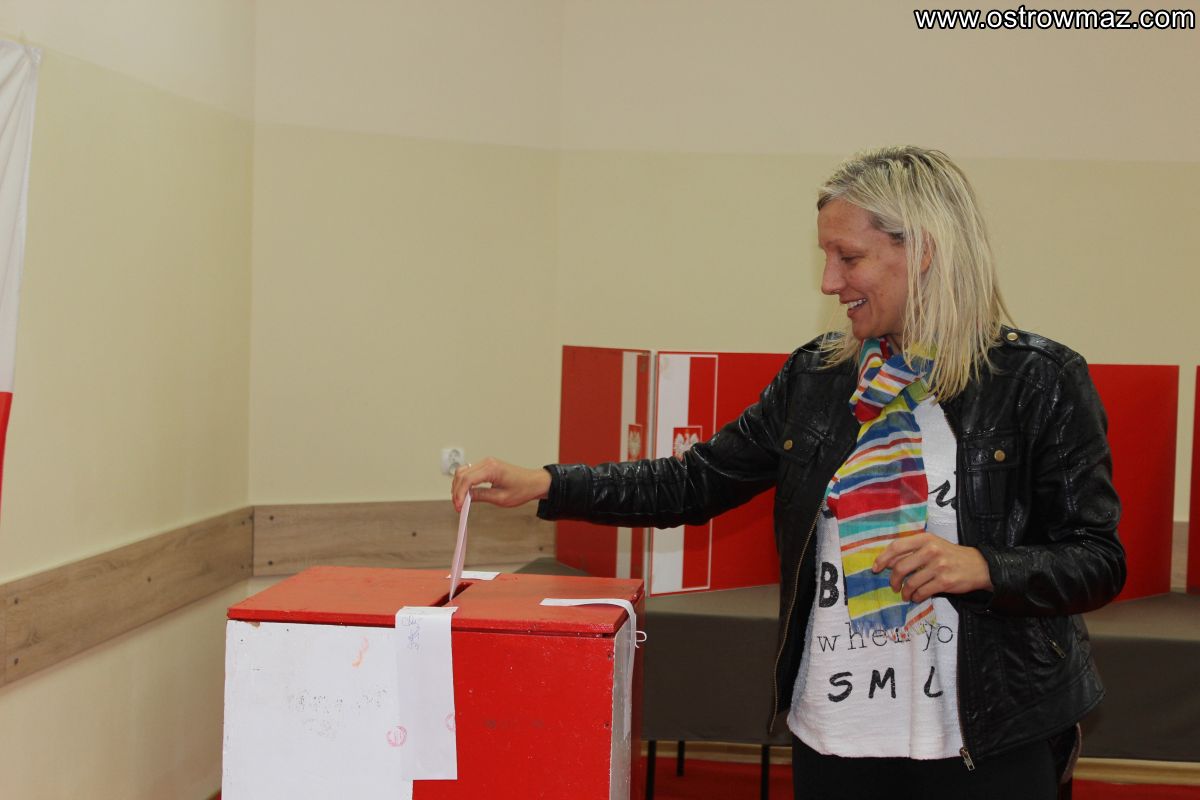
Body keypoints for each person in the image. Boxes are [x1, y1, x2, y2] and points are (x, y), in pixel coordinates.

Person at [451, 146, 1124, 800]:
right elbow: (693, 481)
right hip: (835, 734)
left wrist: (983, 566)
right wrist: (548, 483)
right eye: (826, 257)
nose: (829, 282)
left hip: (992, 737)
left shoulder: (1038, 382)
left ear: (923, 250)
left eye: (848, 257)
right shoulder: (817, 378)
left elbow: (1096, 559)